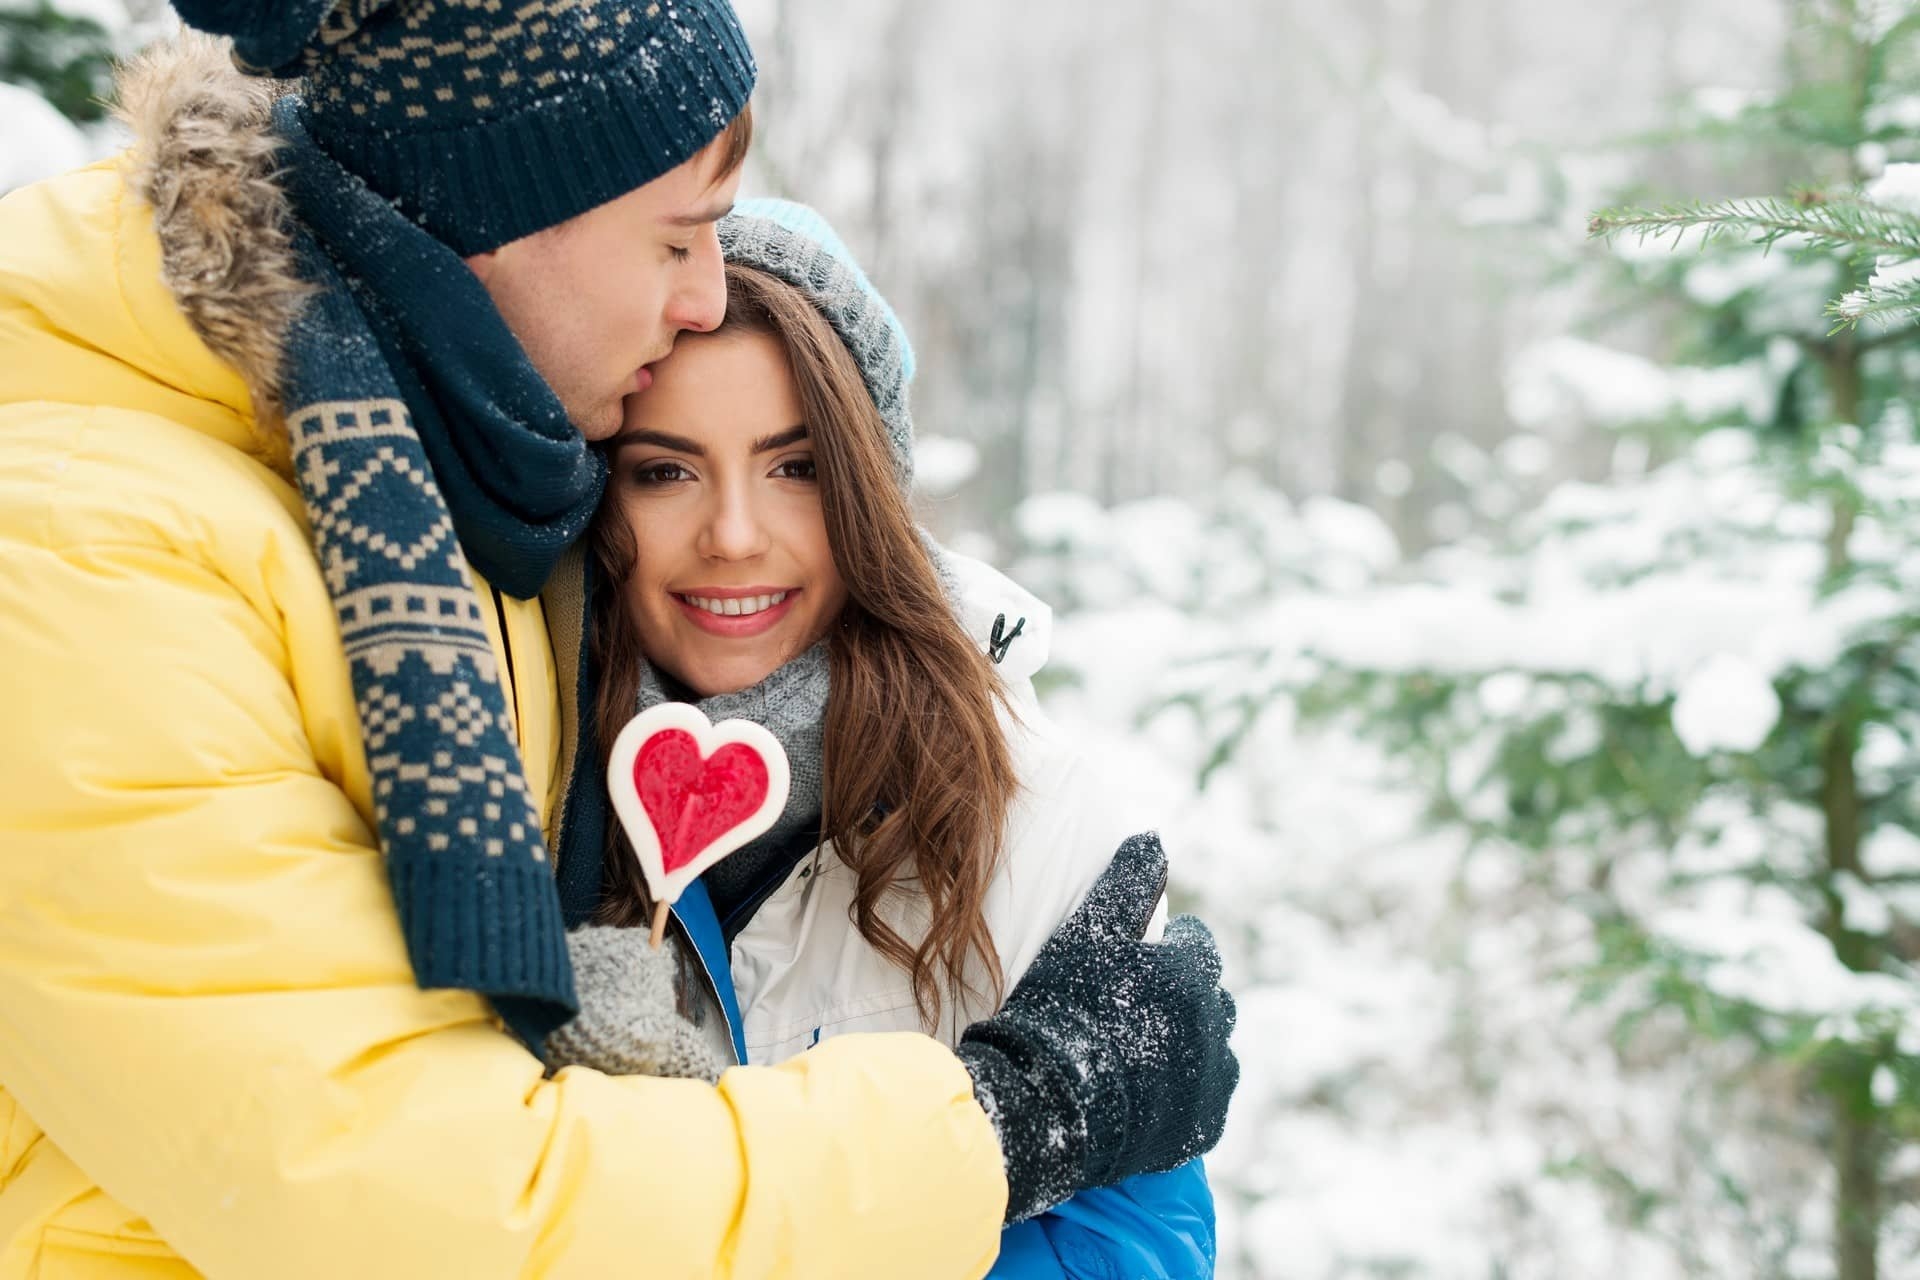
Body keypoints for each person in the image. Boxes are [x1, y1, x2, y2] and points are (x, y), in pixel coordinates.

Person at [0, 2, 1239, 1277]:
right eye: (678, 235)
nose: (704, 293)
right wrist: (1002, 1124)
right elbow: (417, 1198)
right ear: (504, 210)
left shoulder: (412, 494)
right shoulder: (85, 556)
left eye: (799, 466)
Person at [543, 197, 1225, 1278]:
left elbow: (1136, 1250)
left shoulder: (1035, 812)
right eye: (665, 469)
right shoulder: (525, 784)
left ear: (869, 490)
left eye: (796, 467)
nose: (733, 534)